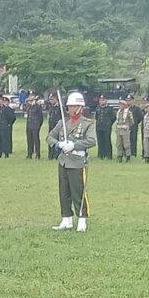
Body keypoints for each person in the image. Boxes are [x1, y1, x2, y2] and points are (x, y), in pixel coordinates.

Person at [45, 92, 97, 233]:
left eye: (74, 106)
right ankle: (66, 218)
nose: (70, 109)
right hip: (63, 161)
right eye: (69, 106)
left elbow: (92, 140)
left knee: (78, 192)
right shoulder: (62, 122)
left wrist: (74, 145)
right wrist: (58, 144)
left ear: (80, 107)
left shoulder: (87, 124)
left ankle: (82, 219)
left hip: (77, 162)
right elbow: (49, 136)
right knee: (64, 192)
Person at [94, 94, 115, 160]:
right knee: (100, 141)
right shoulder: (97, 108)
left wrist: (109, 124)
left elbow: (113, 117)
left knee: (107, 141)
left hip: (106, 127)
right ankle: (100, 155)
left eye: (103, 100)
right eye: (100, 100)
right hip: (99, 127)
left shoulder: (109, 108)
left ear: (106, 101)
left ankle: (108, 155)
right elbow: (96, 117)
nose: (101, 101)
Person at [25, 93, 44, 159]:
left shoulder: (37, 106)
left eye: (32, 96)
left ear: (35, 97)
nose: (30, 97)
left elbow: (40, 117)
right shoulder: (28, 106)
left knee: (36, 140)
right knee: (29, 140)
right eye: (30, 96)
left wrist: (38, 125)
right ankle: (29, 153)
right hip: (29, 125)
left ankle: (37, 154)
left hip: (35, 125)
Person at [115, 97, 134, 162]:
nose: (120, 106)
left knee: (126, 144)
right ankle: (120, 156)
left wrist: (127, 127)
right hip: (118, 130)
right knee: (119, 144)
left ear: (124, 105)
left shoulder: (128, 112)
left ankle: (128, 155)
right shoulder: (118, 112)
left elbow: (132, 122)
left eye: (121, 104)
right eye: (119, 104)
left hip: (125, 130)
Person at [46, 93, 63, 160]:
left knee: (58, 142)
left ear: (56, 99)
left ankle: (57, 155)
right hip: (51, 126)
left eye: (52, 99)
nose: (51, 101)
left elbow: (63, 118)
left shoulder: (60, 108)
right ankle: (50, 155)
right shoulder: (51, 108)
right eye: (50, 99)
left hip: (58, 128)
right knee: (50, 140)